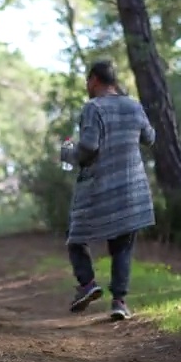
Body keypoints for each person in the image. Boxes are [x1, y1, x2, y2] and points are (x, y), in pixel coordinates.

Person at [59, 60, 156, 321]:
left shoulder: (94, 108)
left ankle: (88, 284)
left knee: (75, 238)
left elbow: (89, 146)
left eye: (87, 81)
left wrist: (68, 152)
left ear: (94, 80)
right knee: (122, 247)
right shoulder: (133, 105)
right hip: (131, 191)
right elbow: (150, 138)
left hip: (98, 190)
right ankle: (119, 302)